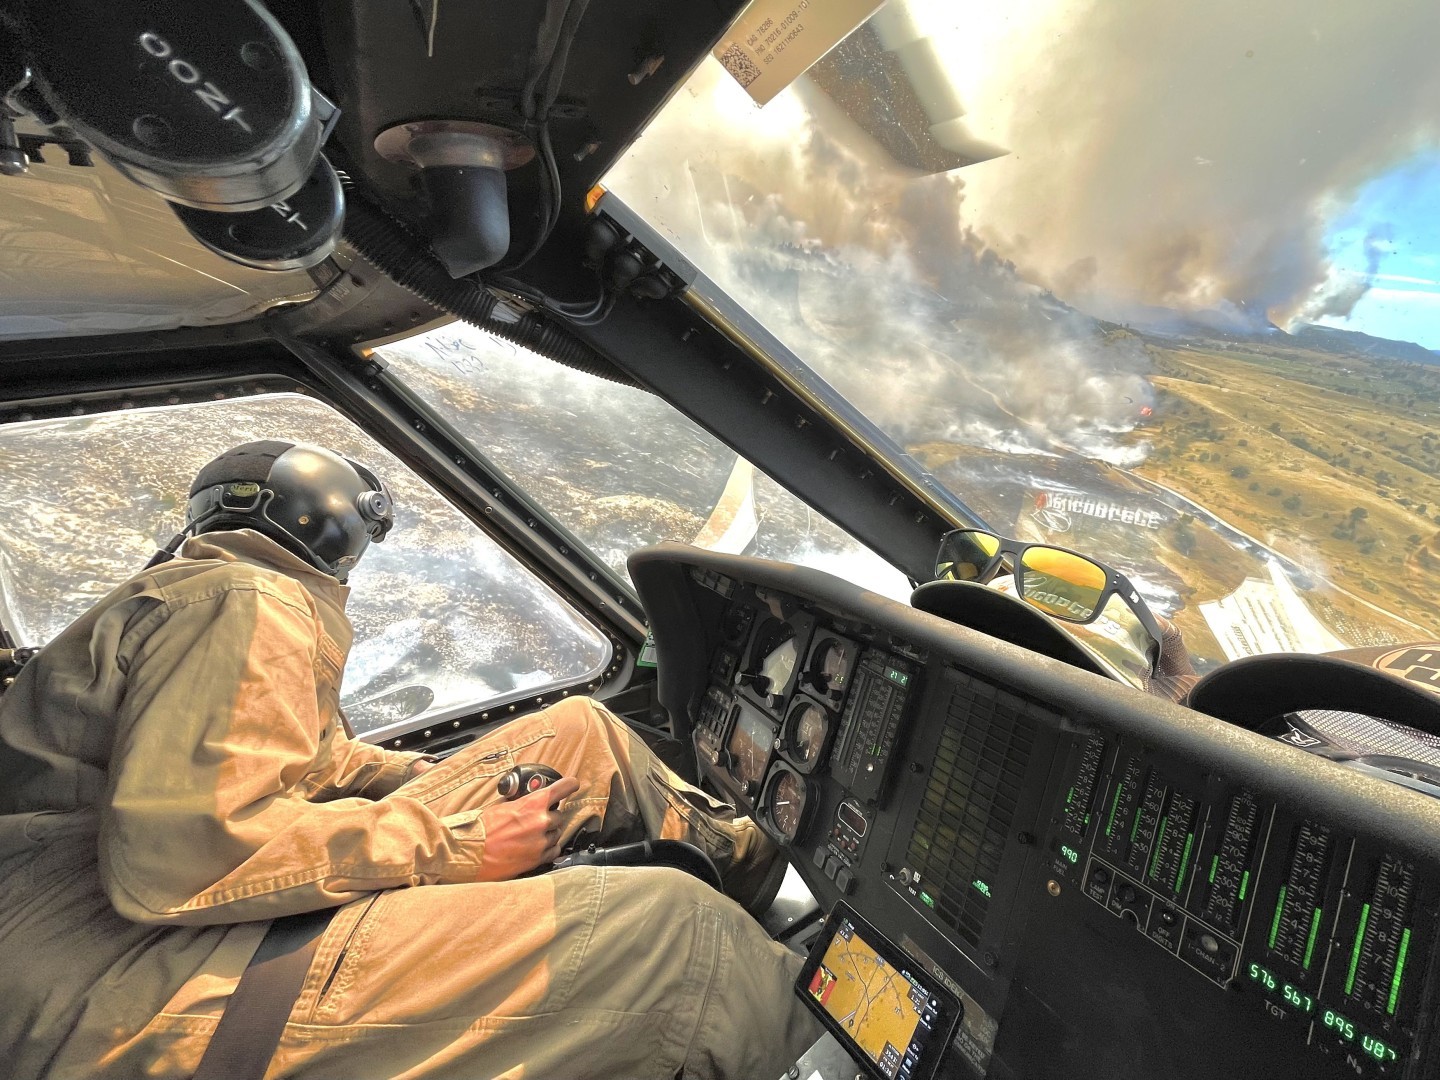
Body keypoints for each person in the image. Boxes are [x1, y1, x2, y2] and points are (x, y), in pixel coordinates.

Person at [0, 439, 820, 1080]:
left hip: (81, 908)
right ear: (337, 530)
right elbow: (182, 856)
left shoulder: (211, 590)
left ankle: (754, 862)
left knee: (577, 729)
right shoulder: (247, 602)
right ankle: (823, 1024)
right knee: (672, 933)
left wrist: (408, 779)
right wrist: (459, 844)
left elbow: (287, 757)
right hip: (111, 981)